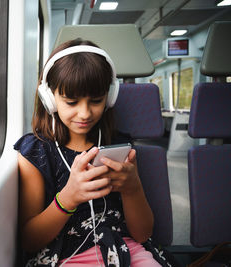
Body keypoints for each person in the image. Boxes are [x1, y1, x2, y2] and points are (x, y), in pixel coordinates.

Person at [14, 39, 176, 267]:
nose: (85, 113)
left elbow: (142, 234)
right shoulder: (36, 153)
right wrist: (67, 198)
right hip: (64, 255)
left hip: (125, 249)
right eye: (71, 102)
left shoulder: (118, 146)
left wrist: (133, 188)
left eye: (96, 101)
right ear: (49, 99)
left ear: (109, 98)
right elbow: (29, 241)